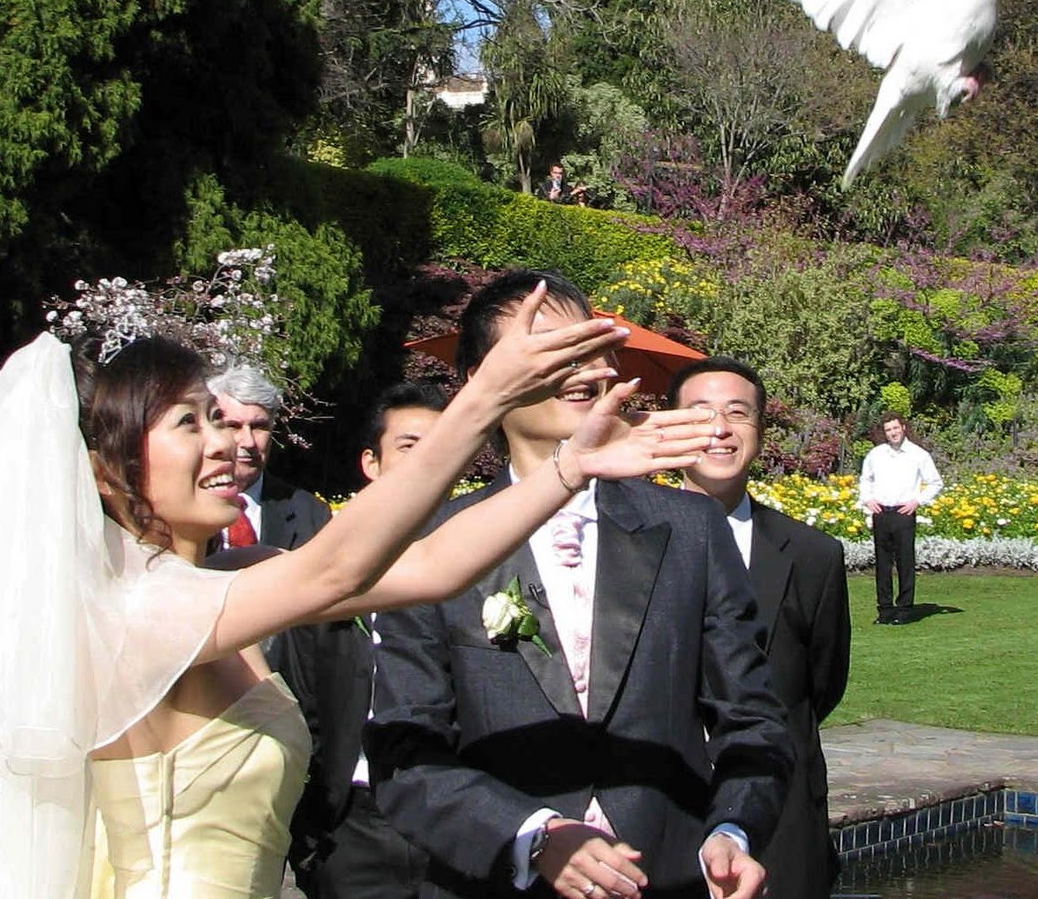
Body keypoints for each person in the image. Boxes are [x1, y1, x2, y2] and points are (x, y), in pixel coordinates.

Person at [0, 283, 718, 898]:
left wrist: (569, 467)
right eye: (191, 423)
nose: (228, 443)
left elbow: (426, 568)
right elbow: (338, 564)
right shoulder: (131, 610)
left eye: (225, 419)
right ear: (108, 469)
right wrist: (483, 395)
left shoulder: (220, 580)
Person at [366, 269, 792, 899]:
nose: (584, 368)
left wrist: (733, 826)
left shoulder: (689, 528)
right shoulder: (429, 547)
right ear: (482, 381)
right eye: (551, 350)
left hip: (670, 875)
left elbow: (753, 718)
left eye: (592, 348)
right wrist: (530, 834)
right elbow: (405, 749)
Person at [668, 357, 851, 899]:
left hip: (784, 814)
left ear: (760, 431)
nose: (720, 429)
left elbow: (823, 682)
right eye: (700, 414)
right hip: (662, 810)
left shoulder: (814, 555)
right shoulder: (625, 544)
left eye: (737, 413)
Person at [278, 381, 448, 899]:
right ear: (371, 462)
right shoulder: (325, 567)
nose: (429, 463)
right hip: (352, 826)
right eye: (410, 447)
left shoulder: (487, 563)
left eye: (445, 448)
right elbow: (300, 698)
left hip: (459, 817)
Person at [208, 362, 330, 551]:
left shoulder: (310, 514)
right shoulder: (181, 508)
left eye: (259, 427)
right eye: (233, 426)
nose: (248, 442)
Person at [856, 414, 942, 625]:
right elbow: (865, 479)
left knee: (905, 562)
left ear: (903, 428)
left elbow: (935, 482)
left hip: (904, 513)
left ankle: (904, 609)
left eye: (895, 428)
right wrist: (867, 499)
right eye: (888, 430)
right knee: (882, 564)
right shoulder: (876, 454)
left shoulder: (918, 455)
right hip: (881, 513)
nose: (893, 433)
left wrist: (917, 501)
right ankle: (884, 610)